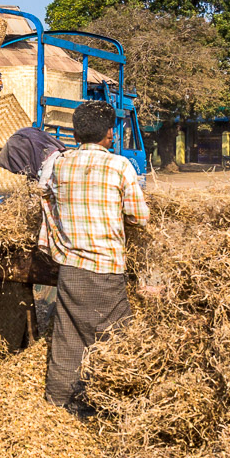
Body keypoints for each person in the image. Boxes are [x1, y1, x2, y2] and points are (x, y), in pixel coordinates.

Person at [40, 101, 149, 415]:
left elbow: (46, 201)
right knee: (117, 336)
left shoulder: (60, 164)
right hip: (106, 268)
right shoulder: (120, 166)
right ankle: (114, 402)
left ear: (75, 133)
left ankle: (61, 401)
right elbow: (139, 217)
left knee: (68, 335)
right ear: (110, 134)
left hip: (71, 267)